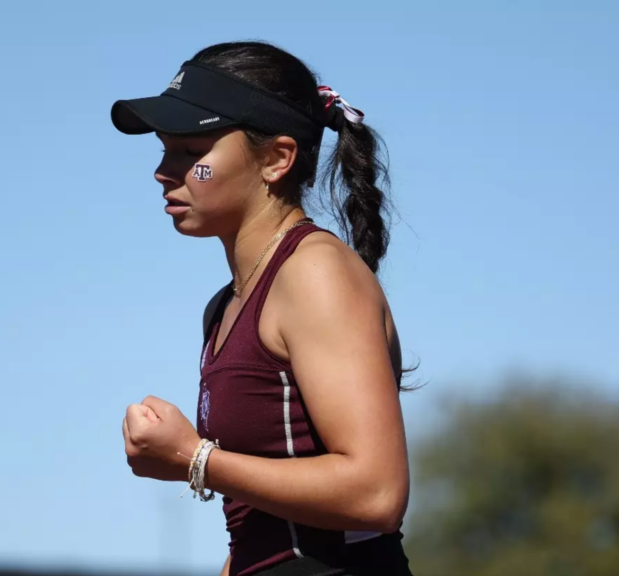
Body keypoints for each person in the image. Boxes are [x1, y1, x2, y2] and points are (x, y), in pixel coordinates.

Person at [112, 41, 414, 576]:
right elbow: (262, 528)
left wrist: (194, 458)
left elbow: (377, 493)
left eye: (191, 152)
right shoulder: (224, 305)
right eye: (164, 150)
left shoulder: (314, 274)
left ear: (277, 158)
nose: (164, 171)